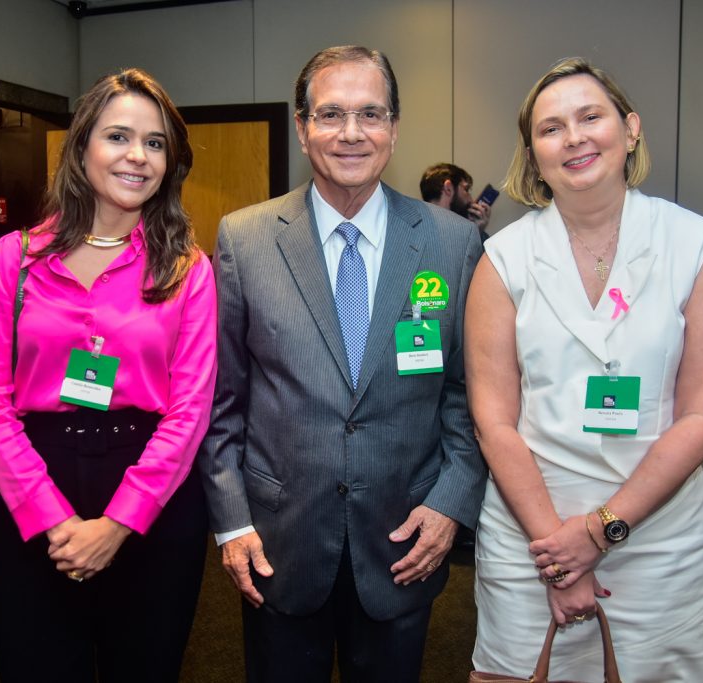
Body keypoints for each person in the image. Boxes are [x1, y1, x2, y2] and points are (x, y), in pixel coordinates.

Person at [199, 45, 486, 683]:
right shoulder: (245, 238)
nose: (351, 133)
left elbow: (470, 395)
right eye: (330, 114)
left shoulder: (452, 242)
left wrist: (451, 503)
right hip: (278, 544)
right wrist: (232, 522)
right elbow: (220, 403)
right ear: (302, 128)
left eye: (370, 114)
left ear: (395, 128)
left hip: (406, 536)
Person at [466, 57, 703, 682]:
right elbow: (493, 420)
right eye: (551, 128)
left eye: (591, 117)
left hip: (660, 536)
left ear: (631, 128)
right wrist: (560, 555)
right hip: (531, 534)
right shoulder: (503, 260)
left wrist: (600, 531)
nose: (574, 138)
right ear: (534, 154)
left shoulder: (698, 247)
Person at [0, 68, 216, 682]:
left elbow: (190, 410)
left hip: (152, 493)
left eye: (155, 143)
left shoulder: (188, 269)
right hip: (33, 484)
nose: (137, 156)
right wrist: (52, 516)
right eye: (118, 136)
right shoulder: (14, 259)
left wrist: (118, 523)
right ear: (81, 148)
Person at [420, 162, 492, 240]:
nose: (471, 200)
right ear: (448, 188)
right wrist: (475, 233)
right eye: (466, 189)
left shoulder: (414, 228)